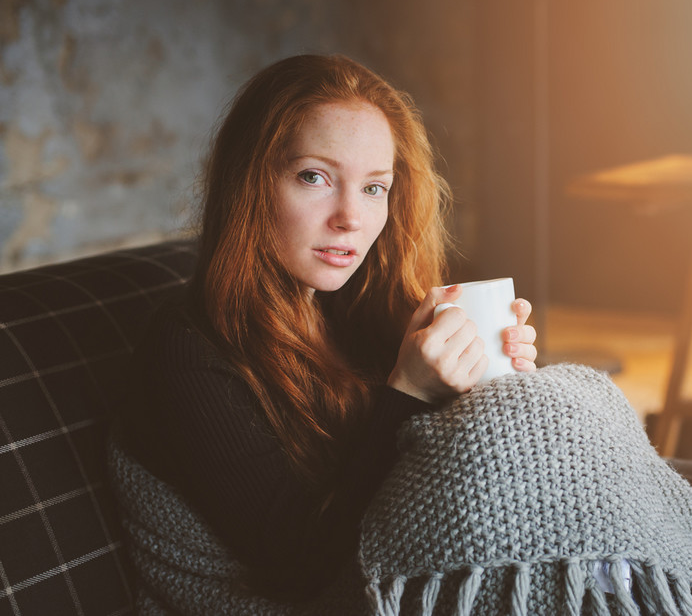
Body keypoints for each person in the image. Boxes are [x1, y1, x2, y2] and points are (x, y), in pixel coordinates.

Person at [120, 53, 538, 599]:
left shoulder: (356, 304)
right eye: (314, 177)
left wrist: (495, 375)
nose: (351, 218)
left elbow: (453, 474)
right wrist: (409, 391)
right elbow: (305, 564)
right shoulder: (188, 349)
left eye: (374, 187)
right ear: (249, 185)